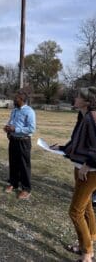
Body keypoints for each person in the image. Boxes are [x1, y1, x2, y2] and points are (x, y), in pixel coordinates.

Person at [51, 87, 96, 262]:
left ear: (87, 101)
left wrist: (88, 163)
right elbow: (78, 142)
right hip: (82, 168)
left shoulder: (92, 117)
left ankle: (87, 254)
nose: (74, 98)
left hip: (90, 171)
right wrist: (62, 148)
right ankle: (90, 241)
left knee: (75, 212)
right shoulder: (83, 116)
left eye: (78, 97)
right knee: (86, 208)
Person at [4, 90, 36, 199]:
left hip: (24, 141)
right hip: (13, 140)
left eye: (16, 98)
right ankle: (13, 183)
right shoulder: (14, 110)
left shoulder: (29, 111)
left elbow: (31, 129)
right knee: (13, 163)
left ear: (22, 100)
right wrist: (8, 128)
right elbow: (11, 122)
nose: (14, 99)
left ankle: (26, 189)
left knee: (24, 165)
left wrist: (15, 129)